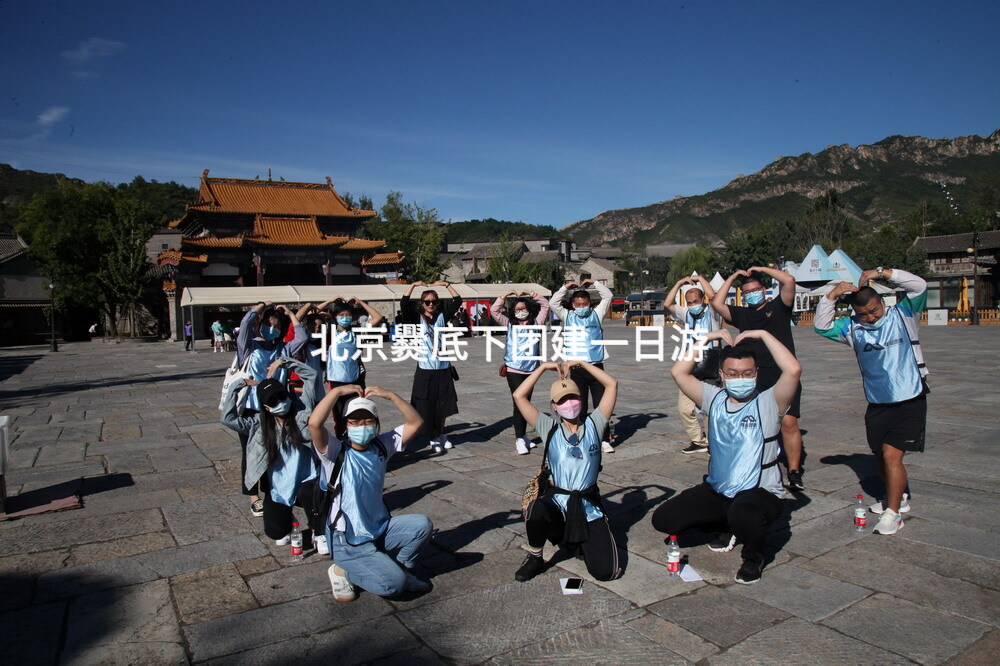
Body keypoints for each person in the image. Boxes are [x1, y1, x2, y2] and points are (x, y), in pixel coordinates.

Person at [652, 328, 800, 585]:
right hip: (718, 488)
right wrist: (707, 339)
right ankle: (727, 522)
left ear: (756, 374)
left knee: (746, 512)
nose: (740, 378)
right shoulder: (713, 398)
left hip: (760, 490)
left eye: (747, 373)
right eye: (733, 373)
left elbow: (793, 370)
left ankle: (753, 556)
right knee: (664, 520)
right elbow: (679, 372)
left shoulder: (769, 401)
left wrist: (764, 335)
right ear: (721, 374)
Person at [814, 267, 929, 535]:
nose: (870, 317)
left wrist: (884, 273)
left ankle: (893, 513)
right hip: (878, 401)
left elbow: (919, 285)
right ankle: (897, 496)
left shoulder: (904, 314)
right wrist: (832, 295)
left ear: (882, 303)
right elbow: (822, 326)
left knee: (892, 455)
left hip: (910, 397)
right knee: (880, 455)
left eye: (875, 310)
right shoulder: (852, 328)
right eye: (863, 313)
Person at [308, 384, 430, 602]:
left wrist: (391, 394)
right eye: (354, 422)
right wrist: (335, 393)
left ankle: (401, 569)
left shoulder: (382, 446)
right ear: (346, 425)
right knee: (393, 585)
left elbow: (416, 422)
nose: (361, 426)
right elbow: (315, 424)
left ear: (376, 425)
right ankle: (343, 571)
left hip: (378, 528)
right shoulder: (335, 452)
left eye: (367, 421)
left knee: (421, 526)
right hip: (346, 538)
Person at [512, 360, 623, 583]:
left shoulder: (595, 423)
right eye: (562, 400)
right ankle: (535, 556)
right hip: (557, 502)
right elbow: (519, 396)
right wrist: (543, 368)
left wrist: (582, 363)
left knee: (606, 572)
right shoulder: (548, 428)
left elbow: (611, 384)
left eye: (573, 397)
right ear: (554, 406)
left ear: (581, 399)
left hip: (587, 505)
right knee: (536, 509)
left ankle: (577, 540)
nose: (569, 403)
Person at [711, 266, 805, 490]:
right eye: (748, 292)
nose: (753, 293)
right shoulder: (743, 315)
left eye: (756, 289)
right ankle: (754, 462)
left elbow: (789, 281)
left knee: (789, 422)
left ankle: (793, 470)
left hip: (782, 374)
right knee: (756, 423)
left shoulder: (779, 307)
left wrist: (762, 269)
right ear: (743, 296)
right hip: (754, 376)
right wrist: (733, 277)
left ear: (764, 290)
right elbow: (717, 304)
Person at [221, 357, 320, 548]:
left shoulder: (301, 411)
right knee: (276, 533)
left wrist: (285, 362)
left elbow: (312, 376)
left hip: (307, 480)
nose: (280, 402)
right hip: (278, 487)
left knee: (313, 495)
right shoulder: (257, 424)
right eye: (273, 401)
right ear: (265, 407)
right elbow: (228, 419)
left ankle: (319, 529)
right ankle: (288, 520)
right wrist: (238, 385)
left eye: (282, 396)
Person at [236, 302, 308, 516]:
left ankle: (270, 490)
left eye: (276, 325)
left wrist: (290, 314)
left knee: (274, 449)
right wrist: (257, 309)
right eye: (268, 324)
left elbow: (302, 338)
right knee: (250, 453)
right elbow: (244, 325)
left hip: (277, 409)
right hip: (252, 408)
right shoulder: (249, 347)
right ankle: (252, 496)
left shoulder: (283, 349)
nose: (271, 328)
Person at [549, 278, 616, 453]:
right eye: (578, 304)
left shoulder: (597, 313)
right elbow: (553, 302)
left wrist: (594, 283)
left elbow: (608, 295)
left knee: (601, 405)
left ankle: (604, 438)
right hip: (576, 370)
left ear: (590, 304)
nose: (581, 307)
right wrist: (565, 287)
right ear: (572, 304)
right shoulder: (567, 316)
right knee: (580, 406)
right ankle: (581, 435)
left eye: (584, 304)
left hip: (595, 367)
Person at [400, 280, 462, 453]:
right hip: (425, 368)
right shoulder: (416, 319)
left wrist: (446, 285)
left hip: (443, 367)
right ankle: (433, 436)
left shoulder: (442, 317)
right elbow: (404, 304)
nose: (431, 305)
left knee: (443, 405)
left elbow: (458, 301)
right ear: (422, 304)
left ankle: (441, 434)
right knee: (427, 405)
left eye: (434, 302)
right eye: (427, 302)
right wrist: (413, 286)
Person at [664, 275, 724, 454]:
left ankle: (714, 442)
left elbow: (714, 297)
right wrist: (678, 283)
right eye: (689, 302)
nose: (692, 305)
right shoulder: (686, 313)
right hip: (689, 364)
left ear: (702, 300)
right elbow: (667, 304)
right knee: (684, 408)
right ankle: (698, 440)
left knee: (709, 407)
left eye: (695, 301)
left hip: (710, 362)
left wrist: (700, 279)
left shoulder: (713, 313)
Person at [491, 290, 550, 454]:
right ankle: (519, 439)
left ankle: (523, 436)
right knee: (519, 402)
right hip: (513, 368)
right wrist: (504, 296)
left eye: (523, 308)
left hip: (531, 369)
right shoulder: (508, 323)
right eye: (517, 309)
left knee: (526, 403)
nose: (521, 312)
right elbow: (494, 311)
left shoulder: (536, 322)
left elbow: (545, 305)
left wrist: (533, 295)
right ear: (513, 311)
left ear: (529, 309)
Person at [325, 296, 385, 437]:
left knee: (359, 411)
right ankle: (342, 443)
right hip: (336, 380)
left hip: (356, 378)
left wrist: (361, 302)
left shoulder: (356, 331)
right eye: (341, 315)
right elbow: (310, 317)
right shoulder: (329, 332)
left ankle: (360, 440)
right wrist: (330, 302)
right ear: (335, 316)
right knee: (340, 416)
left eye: (348, 315)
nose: (345, 318)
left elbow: (378, 317)